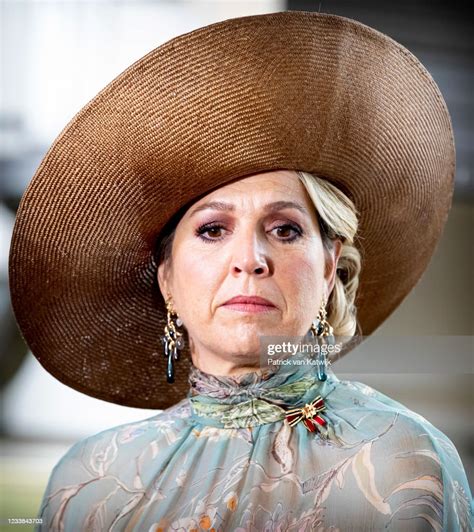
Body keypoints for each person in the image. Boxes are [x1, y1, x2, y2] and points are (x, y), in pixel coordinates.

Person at [8, 10, 472, 531]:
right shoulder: (88, 486)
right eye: (212, 230)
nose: (250, 259)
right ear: (167, 281)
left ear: (329, 270)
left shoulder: (401, 463)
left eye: (285, 230)